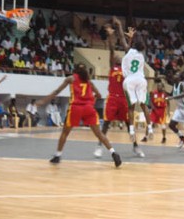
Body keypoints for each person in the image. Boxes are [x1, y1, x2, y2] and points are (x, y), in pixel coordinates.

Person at [36, 63, 122, 167]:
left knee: (65, 133)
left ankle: (57, 155)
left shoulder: (71, 79)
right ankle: (113, 152)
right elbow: (99, 95)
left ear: (75, 70)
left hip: (75, 108)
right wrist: (91, 100)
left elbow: (57, 91)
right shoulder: (89, 82)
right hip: (89, 108)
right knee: (99, 134)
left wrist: (43, 101)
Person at [94, 23, 129, 158]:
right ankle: (99, 146)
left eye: (119, 57)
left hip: (123, 98)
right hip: (113, 97)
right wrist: (110, 36)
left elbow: (127, 52)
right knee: (106, 124)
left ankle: (136, 146)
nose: (117, 57)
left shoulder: (125, 68)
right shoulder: (112, 67)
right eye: (116, 57)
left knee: (128, 123)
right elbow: (112, 50)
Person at [118, 18, 152, 157]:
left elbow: (125, 45)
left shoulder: (128, 53)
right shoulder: (141, 55)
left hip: (130, 80)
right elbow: (135, 46)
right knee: (144, 106)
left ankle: (131, 130)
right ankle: (149, 129)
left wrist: (129, 37)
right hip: (141, 80)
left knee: (131, 107)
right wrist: (134, 38)